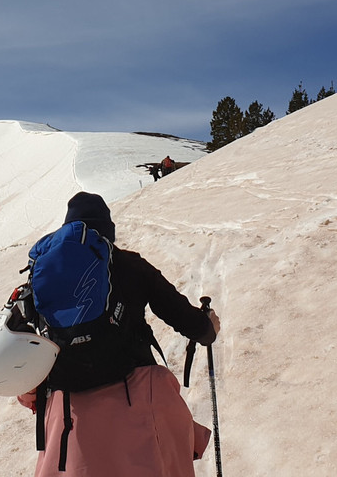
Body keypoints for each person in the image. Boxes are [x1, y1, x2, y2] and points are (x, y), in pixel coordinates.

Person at [19, 192, 220, 477]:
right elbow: (190, 323)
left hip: (68, 418)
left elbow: (20, 357)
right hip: (143, 403)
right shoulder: (130, 266)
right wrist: (209, 327)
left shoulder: (41, 279)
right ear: (107, 232)